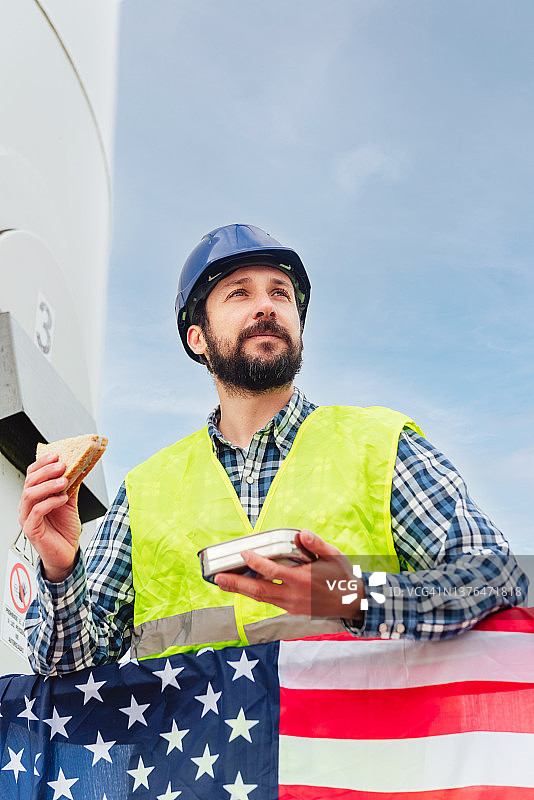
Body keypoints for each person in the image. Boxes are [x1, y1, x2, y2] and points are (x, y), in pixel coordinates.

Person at [21, 224, 528, 675]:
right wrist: (61, 571)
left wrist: (349, 595)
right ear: (198, 338)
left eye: (280, 293)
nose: (266, 305)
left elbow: (500, 578)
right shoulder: (147, 491)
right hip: (200, 779)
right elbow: (66, 673)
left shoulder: (381, 448)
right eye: (239, 293)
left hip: (347, 775)